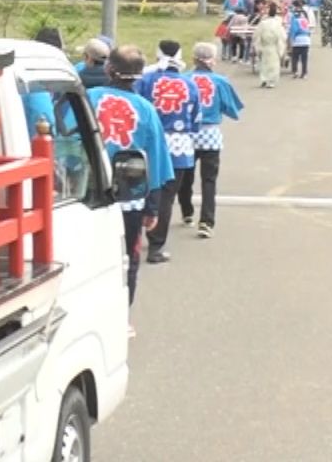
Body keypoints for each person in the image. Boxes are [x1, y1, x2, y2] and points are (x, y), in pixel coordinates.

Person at [87, 45, 173, 309]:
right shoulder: (145, 109)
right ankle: (122, 315)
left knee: (90, 257)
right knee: (127, 257)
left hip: (87, 191)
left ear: (108, 69)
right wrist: (152, 206)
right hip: (130, 194)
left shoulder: (88, 98)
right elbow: (156, 162)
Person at [133, 53, 198, 263]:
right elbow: (196, 117)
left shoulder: (148, 81)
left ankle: (132, 240)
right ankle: (156, 246)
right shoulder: (190, 84)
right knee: (167, 197)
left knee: (139, 191)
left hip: (149, 141)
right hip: (179, 144)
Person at [183, 42, 245, 237]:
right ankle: (207, 222)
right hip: (210, 135)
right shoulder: (220, 81)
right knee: (209, 180)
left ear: (193, 59)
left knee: (185, 176)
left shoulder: (184, 80)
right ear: (213, 60)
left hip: (187, 134)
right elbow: (233, 110)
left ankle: (187, 212)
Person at [252, 1, 286, 88]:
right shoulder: (278, 23)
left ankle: (264, 79)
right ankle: (271, 81)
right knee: (274, 64)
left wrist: (258, 46)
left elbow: (256, 34)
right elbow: (282, 36)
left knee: (264, 63)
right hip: (274, 46)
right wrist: (281, 48)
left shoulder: (263, 23)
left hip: (264, 45)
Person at [288, 0, 314, 79]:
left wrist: (291, 41)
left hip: (297, 41)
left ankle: (295, 71)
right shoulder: (305, 20)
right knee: (304, 58)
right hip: (306, 41)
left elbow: (293, 32)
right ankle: (304, 73)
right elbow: (308, 31)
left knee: (295, 57)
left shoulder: (295, 21)